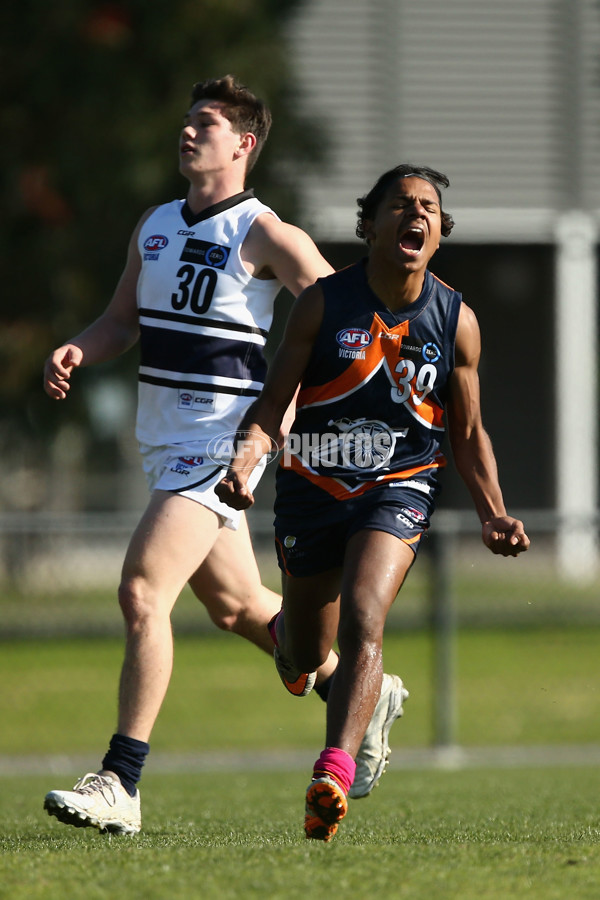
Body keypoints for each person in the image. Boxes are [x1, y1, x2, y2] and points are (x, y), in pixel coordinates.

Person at [41, 76, 408, 835]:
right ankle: (361, 692)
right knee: (237, 608)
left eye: (205, 123)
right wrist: (80, 346)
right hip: (165, 444)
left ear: (243, 144)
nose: (188, 132)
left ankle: (121, 782)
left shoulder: (266, 232)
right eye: (186, 120)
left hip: (221, 444)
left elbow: (342, 321)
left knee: (144, 590)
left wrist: (276, 431)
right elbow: (121, 321)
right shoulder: (155, 225)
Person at [216, 163, 531, 842]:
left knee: (367, 616)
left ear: (439, 233)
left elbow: (467, 433)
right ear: (370, 224)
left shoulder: (456, 320)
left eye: (428, 208)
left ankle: (332, 773)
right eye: (399, 204)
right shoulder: (324, 304)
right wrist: (246, 467)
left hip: (400, 486)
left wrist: (493, 511)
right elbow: (273, 408)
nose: (415, 215)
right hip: (312, 487)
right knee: (303, 654)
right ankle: (326, 673)